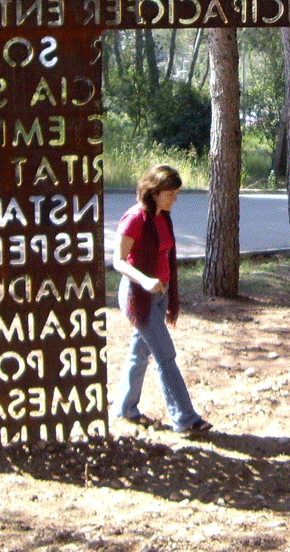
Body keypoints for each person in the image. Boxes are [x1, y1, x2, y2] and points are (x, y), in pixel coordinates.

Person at [112, 164, 212, 435]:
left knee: (139, 351)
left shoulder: (163, 216)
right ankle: (186, 418)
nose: (175, 199)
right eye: (171, 193)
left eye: (177, 193)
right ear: (154, 192)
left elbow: (166, 256)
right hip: (137, 295)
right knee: (165, 355)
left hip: (159, 294)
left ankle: (124, 407)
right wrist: (143, 280)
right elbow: (118, 262)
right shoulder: (134, 218)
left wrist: (168, 295)